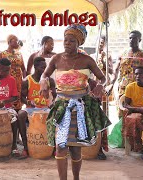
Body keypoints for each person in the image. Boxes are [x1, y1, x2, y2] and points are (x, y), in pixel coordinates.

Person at [39, 24, 111, 180]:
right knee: (60, 147)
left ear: (79, 43)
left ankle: (76, 178)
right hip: (61, 107)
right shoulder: (56, 59)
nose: (67, 43)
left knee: (76, 149)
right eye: (65, 40)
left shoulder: (87, 60)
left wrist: (100, 85)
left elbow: (104, 78)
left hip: (80, 107)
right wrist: (43, 83)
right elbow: (43, 76)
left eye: (71, 41)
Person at [18, 57, 56, 159]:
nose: (44, 70)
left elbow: (55, 96)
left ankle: (54, 148)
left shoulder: (50, 81)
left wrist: (51, 102)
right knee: (20, 115)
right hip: (32, 109)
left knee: (57, 114)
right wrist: (28, 102)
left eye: (45, 67)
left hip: (45, 108)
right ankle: (26, 148)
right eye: (42, 67)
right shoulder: (27, 80)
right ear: (35, 67)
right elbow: (21, 97)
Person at [106, 30, 143, 115]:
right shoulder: (123, 53)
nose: (131, 40)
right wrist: (111, 84)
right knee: (123, 112)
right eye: (130, 38)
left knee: (139, 113)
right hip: (124, 88)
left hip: (139, 88)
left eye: (134, 38)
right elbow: (116, 70)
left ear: (139, 40)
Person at [0, 34, 26, 112]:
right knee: (7, 99)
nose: (17, 42)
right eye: (16, 41)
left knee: (17, 99)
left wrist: (25, 80)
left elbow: (23, 69)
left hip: (18, 81)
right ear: (9, 42)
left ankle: (16, 116)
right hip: (6, 82)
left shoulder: (19, 54)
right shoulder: (2, 54)